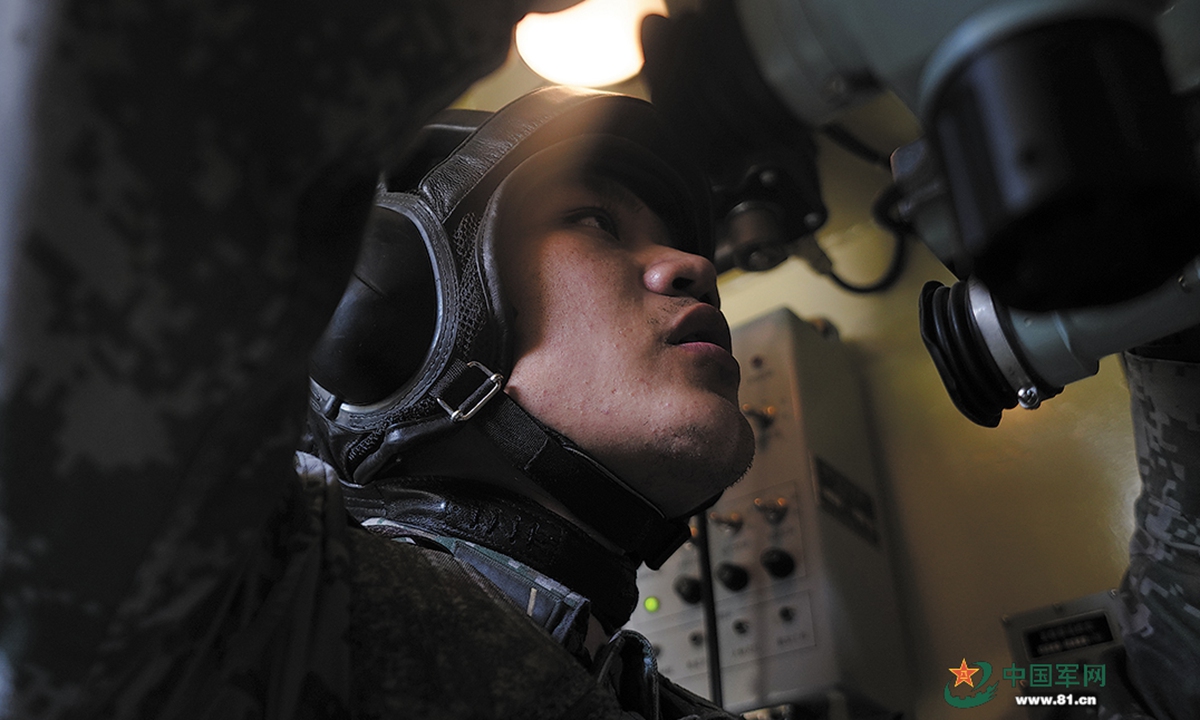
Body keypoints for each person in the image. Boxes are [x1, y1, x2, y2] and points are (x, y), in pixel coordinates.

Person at [0, 4, 1196, 720]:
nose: (687, 266)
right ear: (390, 317)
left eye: (676, 234)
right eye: (592, 221)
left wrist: (1176, 343)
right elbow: (122, 84)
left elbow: (1145, 698)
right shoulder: (239, 631)